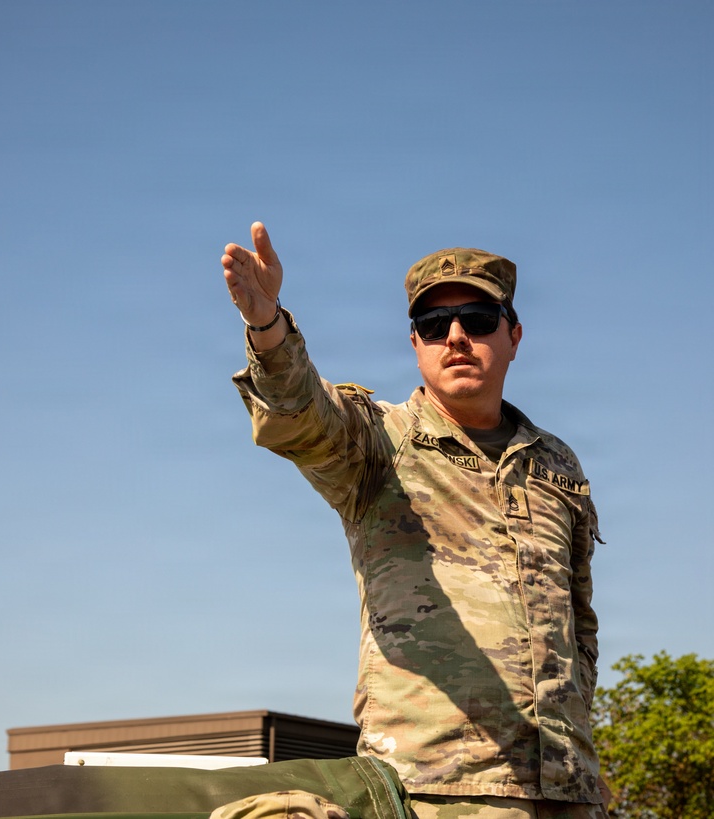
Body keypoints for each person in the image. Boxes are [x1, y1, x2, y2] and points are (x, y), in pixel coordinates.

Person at [221, 222, 609, 819]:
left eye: (478, 319)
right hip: (439, 787)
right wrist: (267, 324)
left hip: (567, 788)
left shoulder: (555, 464)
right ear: (415, 344)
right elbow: (301, 416)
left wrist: (577, 754)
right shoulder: (379, 442)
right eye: (433, 325)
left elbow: (579, 623)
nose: (456, 337)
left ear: (513, 336)